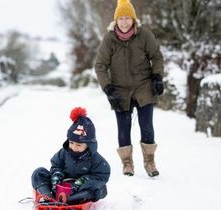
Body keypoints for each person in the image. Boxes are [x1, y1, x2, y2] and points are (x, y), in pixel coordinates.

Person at [94, 0, 164, 177]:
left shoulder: (144, 35)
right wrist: (108, 88)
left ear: (134, 19)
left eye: (128, 18)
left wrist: (157, 77)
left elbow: (156, 56)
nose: (124, 22)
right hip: (120, 91)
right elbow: (100, 65)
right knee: (123, 128)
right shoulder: (109, 39)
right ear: (116, 21)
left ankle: (149, 162)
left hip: (144, 87)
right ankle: (127, 164)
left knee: (146, 126)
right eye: (121, 18)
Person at [31, 107, 110, 205]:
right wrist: (57, 176)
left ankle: (71, 200)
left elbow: (101, 176)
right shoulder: (64, 152)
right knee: (39, 172)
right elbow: (56, 165)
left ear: (89, 145)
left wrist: (83, 180)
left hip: (80, 191)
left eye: (79, 145)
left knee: (101, 188)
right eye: (71, 142)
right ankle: (48, 196)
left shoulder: (96, 159)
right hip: (59, 187)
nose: (73, 147)